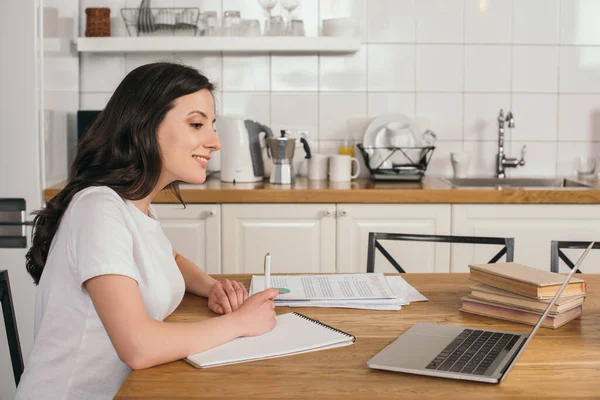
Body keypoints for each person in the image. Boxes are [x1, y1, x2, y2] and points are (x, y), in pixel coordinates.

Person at [15, 62, 280, 399]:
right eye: (197, 124)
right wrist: (240, 323)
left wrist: (212, 287)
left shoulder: (134, 205)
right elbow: (138, 348)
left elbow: (169, 257)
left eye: (211, 126)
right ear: (145, 127)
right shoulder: (98, 209)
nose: (214, 142)